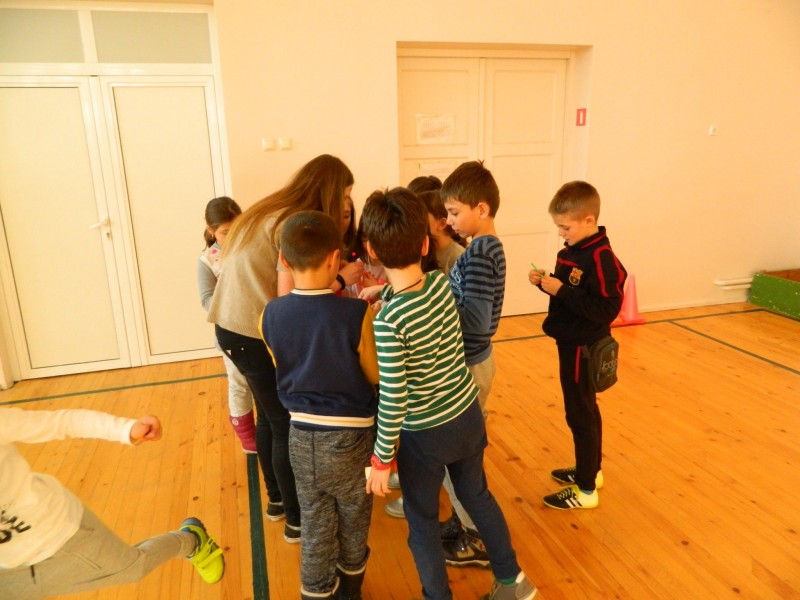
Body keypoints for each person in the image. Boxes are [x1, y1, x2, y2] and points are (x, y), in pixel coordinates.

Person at [362, 187, 536, 600]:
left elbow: (394, 397)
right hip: (466, 416)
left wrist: (381, 459)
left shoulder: (388, 323)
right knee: (477, 496)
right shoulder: (440, 283)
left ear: (370, 250)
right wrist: (383, 292)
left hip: (425, 436)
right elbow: (416, 295)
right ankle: (513, 582)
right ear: (424, 244)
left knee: (422, 521)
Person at [207, 154, 364, 542]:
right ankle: (297, 518)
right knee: (282, 423)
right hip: (250, 330)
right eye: (344, 195)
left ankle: (278, 501)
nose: (346, 204)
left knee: (267, 416)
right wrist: (341, 280)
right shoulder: (290, 222)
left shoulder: (271, 209)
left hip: (232, 327)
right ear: (329, 191)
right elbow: (290, 297)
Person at [260, 211, 378, 600]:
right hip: (351, 439)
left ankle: (314, 591)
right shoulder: (356, 313)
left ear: (283, 259)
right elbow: (374, 374)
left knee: (314, 522)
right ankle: (351, 590)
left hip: (300, 436)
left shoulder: (270, 314)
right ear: (335, 259)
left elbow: (282, 362)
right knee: (354, 516)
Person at [0, 408, 224, 599]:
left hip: (59, 530)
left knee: (133, 568)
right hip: (10, 566)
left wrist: (125, 429)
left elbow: (61, 422)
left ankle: (192, 541)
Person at [528, 180, 627, 510]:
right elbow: (572, 295)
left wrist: (561, 290)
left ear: (589, 220)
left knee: (581, 414)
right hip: (570, 343)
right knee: (584, 410)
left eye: (565, 227)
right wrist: (546, 284)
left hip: (583, 349)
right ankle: (591, 471)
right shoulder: (572, 251)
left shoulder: (602, 258)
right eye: (558, 226)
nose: (560, 233)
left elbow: (606, 309)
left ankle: (585, 491)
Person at [429, 160, 506, 567]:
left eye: (455, 212)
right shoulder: (488, 247)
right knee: (460, 457)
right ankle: (464, 523)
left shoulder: (477, 253)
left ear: (482, 208)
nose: (450, 221)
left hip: (471, 366)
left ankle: (475, 536)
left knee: (458, 460)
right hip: (477, 361)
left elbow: (475, 319)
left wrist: (435, 312)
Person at [197, 196, 259, 455]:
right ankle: (248, 439)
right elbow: (206, 300)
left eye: (237, 229)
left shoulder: (249, 249)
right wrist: (233, 301)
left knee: (263, 383)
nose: (232, 236)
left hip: (258, 329)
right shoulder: (207, 261)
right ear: (211, 230)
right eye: (225, 232)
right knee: (239, 384)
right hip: (231, 334)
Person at [420, 189, 466, 274]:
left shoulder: (458, 257)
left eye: (422, 215)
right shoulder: (422, 251)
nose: (417, 220)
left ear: (442, 224)